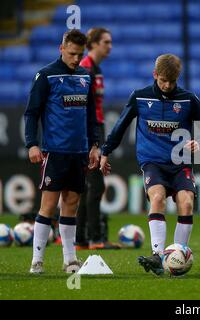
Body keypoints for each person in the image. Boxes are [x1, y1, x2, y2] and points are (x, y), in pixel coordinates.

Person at [100, 53, 200, 276]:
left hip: (181, 162)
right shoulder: (140, 98)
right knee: (158, 197)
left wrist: (199, 142)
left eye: (172, 81)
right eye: (163, 80)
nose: (168, 85)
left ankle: (177, 255)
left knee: (187, 202)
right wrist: (105, 152)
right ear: (155, 75)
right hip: (152, 161)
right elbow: (120, 127)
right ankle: (158, 255)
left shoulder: (188, 99)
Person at [24, 29, 100, 274]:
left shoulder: (85, 76)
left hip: (79, 151)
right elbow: (31, 112)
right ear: (61, 48)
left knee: (71, 203)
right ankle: (37, 260)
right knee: (48, 204)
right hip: (55, 150)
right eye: (72, 53)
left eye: (80, 54)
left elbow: (90, 115)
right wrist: (32, 143)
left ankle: (70, 260)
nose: (76, 59)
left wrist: (94, 145)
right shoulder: (45, 75)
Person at [75, 27, 120, 250]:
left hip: (95, 128)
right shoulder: (85, 68)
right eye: (106, 42)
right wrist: (92, 139)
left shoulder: (96, 68)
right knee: (96, 183)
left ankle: (81, 239)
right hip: (88, 131)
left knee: (88, 185)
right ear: (93, 44)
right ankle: (95, 238)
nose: (109, 46)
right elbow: (82, 106)